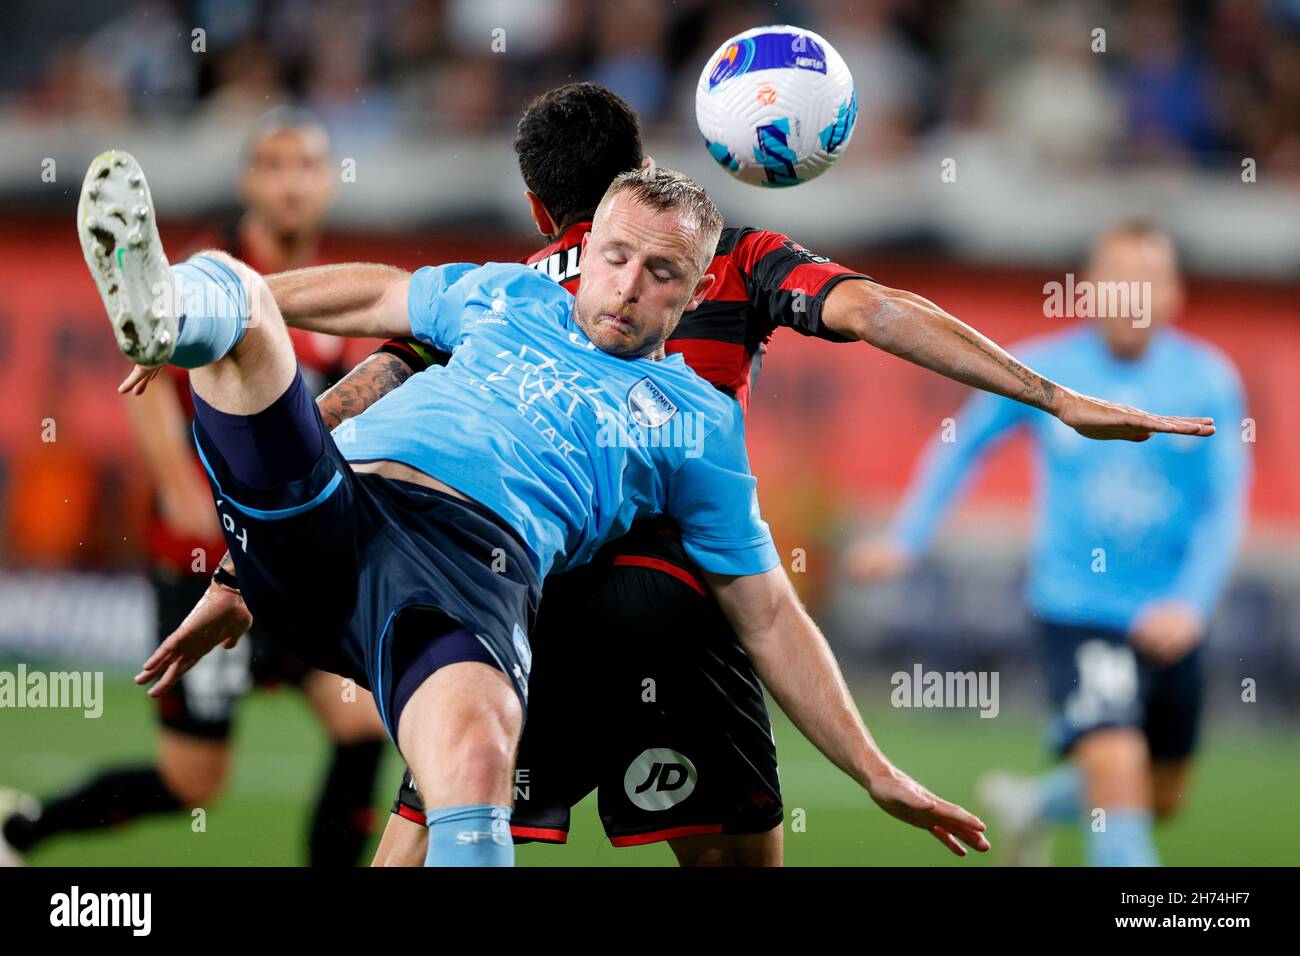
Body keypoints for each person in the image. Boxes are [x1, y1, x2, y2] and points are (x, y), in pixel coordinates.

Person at [158, 84, 1218, 867]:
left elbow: (364, 384)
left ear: (540, 208)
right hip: (617, 597)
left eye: (660, 270)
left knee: (437, 808)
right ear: (624, 187)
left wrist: (241, 573)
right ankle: (197, 304)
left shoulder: (526, 286)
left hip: (514, 593)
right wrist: (1050, 393)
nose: (627, 284)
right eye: (621, 255)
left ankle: (201, 305)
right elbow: (873, 314)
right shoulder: (714, 271)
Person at [0, 109, 387, 868]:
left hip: (280, 563)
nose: (291, 183)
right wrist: (180, 486)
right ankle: (23, 831)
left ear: (327, 183)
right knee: (194, 781)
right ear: (248, 181)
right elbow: (141, 379)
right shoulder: (210, 272)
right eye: (273, 165)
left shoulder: (318, 298)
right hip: (201, 559)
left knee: (362, 727)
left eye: (307, 165)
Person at [845, 221, 1249, 866]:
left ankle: (1033, 804)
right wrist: (907, 536)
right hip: (1079, 608)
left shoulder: (1208, 381)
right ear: (1089, 291)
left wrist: (1191, 604)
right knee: (1116, 762)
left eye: (1147, 283)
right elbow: (964, 443)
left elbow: (1224, 505)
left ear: (1174, 294)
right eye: (1118, 283)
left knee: (1162, 794)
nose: (1132, 298)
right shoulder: (1047, 372)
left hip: (1171, 617)